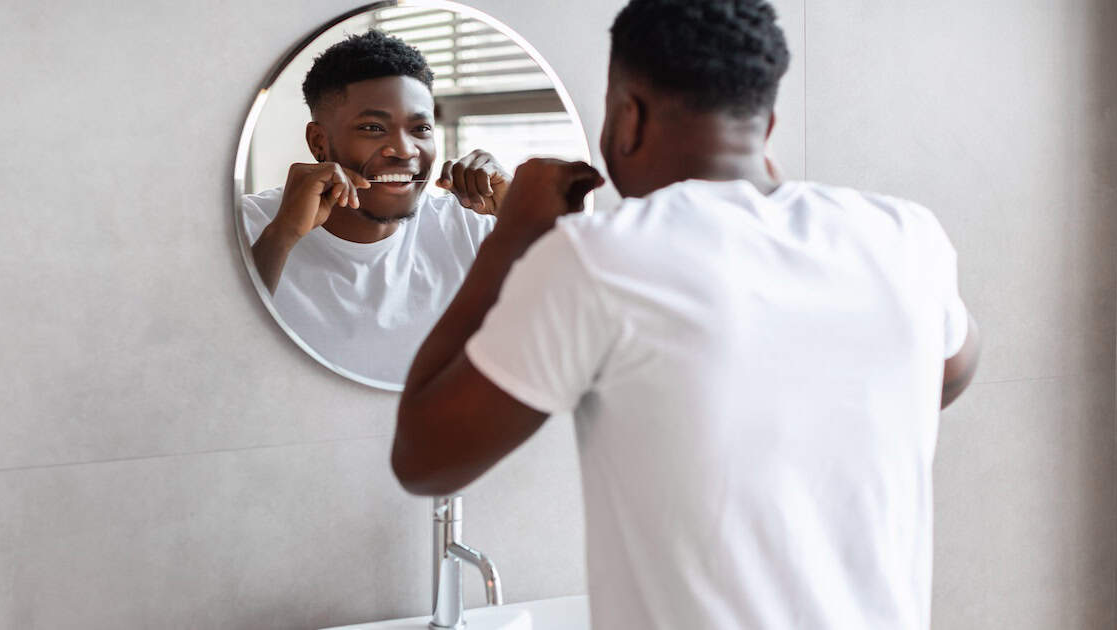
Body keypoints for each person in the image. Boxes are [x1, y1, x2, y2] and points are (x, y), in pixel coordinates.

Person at [391, 0, 981, 627]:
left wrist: (511, 240)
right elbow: (951, 370)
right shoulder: (904, 237)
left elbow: (424, 458)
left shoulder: (600, 260)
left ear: (627, 117)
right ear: (767, 118)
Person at [243, 30, 509, 383]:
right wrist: (282, 235)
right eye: (373, 127)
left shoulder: (472, 228)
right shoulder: (247, 227)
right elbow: (204, 358)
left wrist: (521, 212)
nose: (404, 150)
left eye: (420, 128)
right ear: (318, 142)